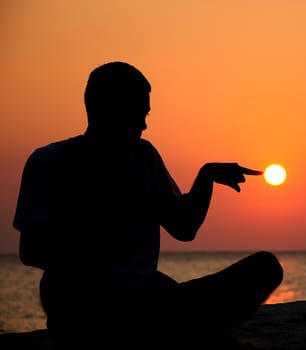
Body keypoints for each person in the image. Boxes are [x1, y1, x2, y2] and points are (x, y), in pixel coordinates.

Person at [13, 61, 283, 349]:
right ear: (107, 109)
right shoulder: (51, 162)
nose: (144, 124)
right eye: (138, 114)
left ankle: (173, 328)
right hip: (87, 308)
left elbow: (184, 227)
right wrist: (118, 278)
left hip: (148, 303)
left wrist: (206, 177)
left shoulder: (144, 156)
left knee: (265, 267)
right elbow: (32, 251)